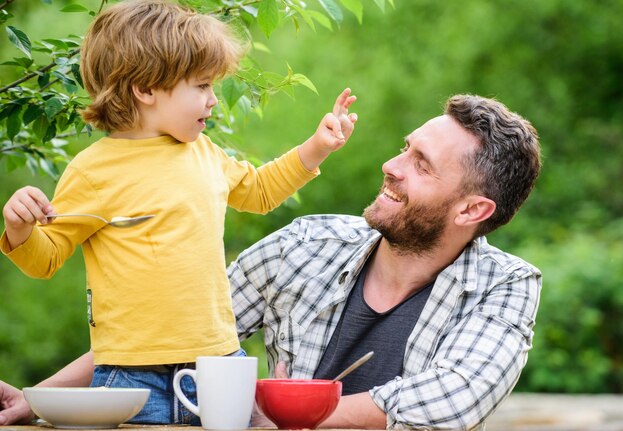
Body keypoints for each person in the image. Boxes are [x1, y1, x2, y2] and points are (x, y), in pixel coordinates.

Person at [0, 94, 541, 430]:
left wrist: (285, 411)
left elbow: (451, 399)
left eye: (420, 164)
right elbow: (169, 330)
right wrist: (38, 398)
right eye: (405, 147)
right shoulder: (307, 243)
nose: (391, 165)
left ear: (473, 209)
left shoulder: (506, 286)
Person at [0, 0, 356, 425]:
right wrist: (19, 227)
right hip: (130, 379)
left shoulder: (202, 151)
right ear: (146, 89)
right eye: (202, 86)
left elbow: (259, 191)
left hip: (218, 365)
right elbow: (46, 258)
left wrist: (317, 147)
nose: (213, 101)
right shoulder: (93, 171)